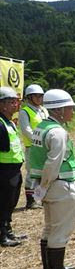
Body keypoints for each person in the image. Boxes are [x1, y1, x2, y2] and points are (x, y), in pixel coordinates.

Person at [29, 89, 75, 269]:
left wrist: (40, 188)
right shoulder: (57, 132)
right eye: (70, 108)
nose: (73, 112)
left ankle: (50, 268)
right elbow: (53, 163)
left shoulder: (41, 127)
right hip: (60, 185)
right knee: (60, 228)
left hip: (48, 185)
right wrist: (44, 185)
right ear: (59, 110)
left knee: (50, 227)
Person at [0, 87, 27, 247]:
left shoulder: (9, 122)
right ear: (2, 105)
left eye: (16, 102)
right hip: (4, 170)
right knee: (3, 202)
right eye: (11, 102)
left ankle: (8, 230)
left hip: (14, 169)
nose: (15, 105)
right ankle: (2, 235)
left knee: (11, 201)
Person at [18, 83, 47, 209]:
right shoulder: (25, 111)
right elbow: (26, 130)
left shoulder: (44, 110)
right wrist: (39, 140)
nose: (39, 98)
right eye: (36, 96)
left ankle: (42, 197)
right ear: (29, 97)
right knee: (32, 173)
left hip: (45, 146)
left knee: (45, 171)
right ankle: (31, 201)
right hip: (33, 146)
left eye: (41, 96)